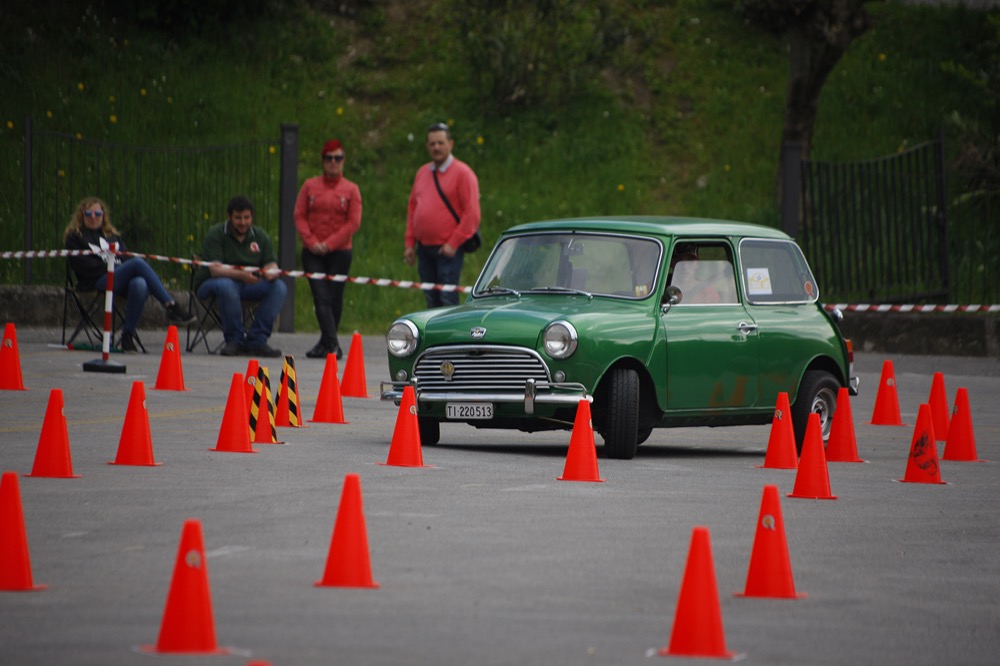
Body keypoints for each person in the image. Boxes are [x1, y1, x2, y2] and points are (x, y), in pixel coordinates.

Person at [64, 196, 195, 351]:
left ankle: (128, 335)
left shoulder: (112, 236)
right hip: (95, 281)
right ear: (82, 215)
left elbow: (126, 257)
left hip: (118, 279)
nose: (93, 217)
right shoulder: (75, 237)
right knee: (137, 263)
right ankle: (170, 305)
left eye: (98, 214)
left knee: (140, 283)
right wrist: (114, 267)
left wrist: (121, 269)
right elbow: (82, 266)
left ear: (103, 215)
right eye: (89, 213)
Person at [193, 195, 287, 357]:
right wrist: (242, 275)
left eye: (247, 217)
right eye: (238, 218)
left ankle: (257, 340)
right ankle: (234, 340)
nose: (243, 222)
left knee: (279, 287)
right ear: (229, 216)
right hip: (212, 284)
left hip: (248, 285)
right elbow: (215, 270)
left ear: (252, 217)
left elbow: (271, 263)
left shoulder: (260, 236)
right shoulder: (216, 234)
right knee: (226, 285)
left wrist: (271, 272)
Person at [294, 139, 362, 360]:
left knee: (335, 297)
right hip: (313, 251)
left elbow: (353, 222)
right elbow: (299, 215)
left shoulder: (351, 189)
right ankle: (333, 344)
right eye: (329, 158)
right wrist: (311, 241)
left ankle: (325, 343)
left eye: (338, 158)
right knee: (320, 296)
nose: (333, 162)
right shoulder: (309, 186)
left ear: (343, 161)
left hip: (340, 252)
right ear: (323, 161)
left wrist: (330, 243)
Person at [404, 122, 481, 308]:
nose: (436, 147)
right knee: (431, 300)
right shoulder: (422, 172)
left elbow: (472, 214)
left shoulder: (463, 174)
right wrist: (409, 244)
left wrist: (453, 243)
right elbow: (413, 208)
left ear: (450, 144)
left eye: (440, 143)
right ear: (427, 146)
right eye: (432, 144)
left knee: (447, 301)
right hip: (424, 249)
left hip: (447, 251)